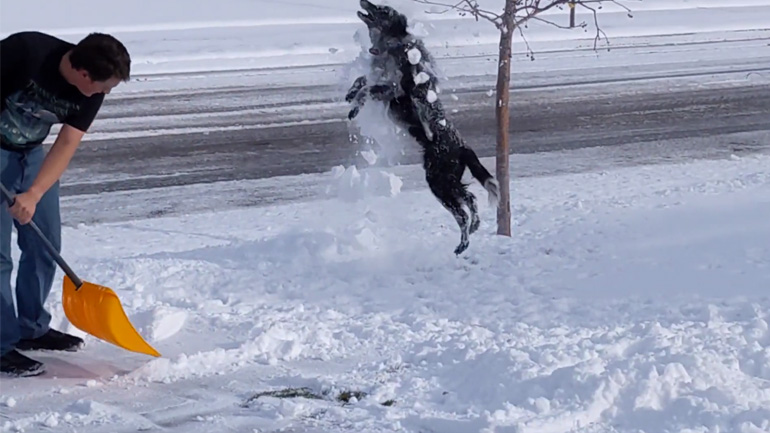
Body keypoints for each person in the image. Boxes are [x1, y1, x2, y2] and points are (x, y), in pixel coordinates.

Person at [1, 31, 131, 377]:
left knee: (44, 244)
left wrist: (34, 193)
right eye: (104, 87)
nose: (105, 94)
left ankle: (31, 328)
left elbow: (68, 141)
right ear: (83, 74)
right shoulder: (25, 52)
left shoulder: (91, 90)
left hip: (31, 154)